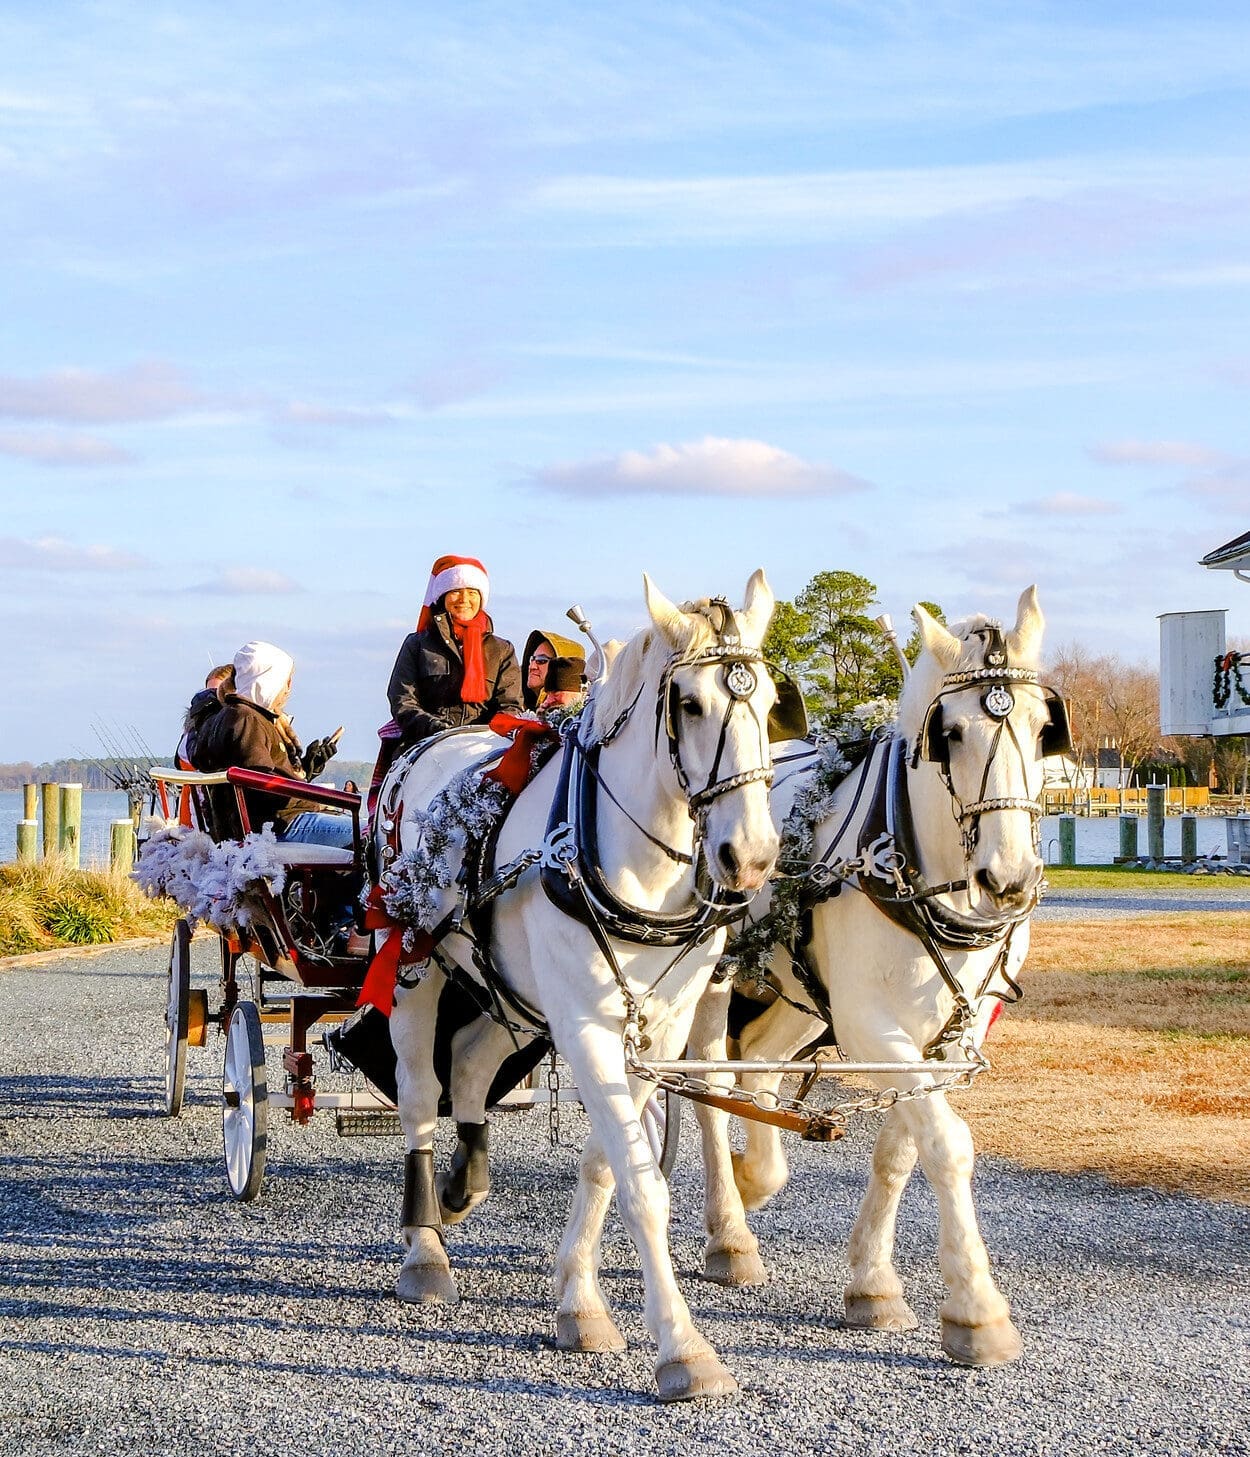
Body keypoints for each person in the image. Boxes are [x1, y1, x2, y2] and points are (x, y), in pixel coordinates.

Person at [194, 640, 351, 848]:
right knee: (372, 833)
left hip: (269, 824)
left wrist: (307, 768)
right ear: (269, 681)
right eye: (286, 680)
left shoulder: (231, 717)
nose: (288, 688)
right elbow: (262, 789)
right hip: (277, 827)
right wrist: (314, 797)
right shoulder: (247, 720)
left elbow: (259, 776)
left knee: (369, 830)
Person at [386, 555, 523, 746]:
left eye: (472, 592)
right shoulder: (417, 644)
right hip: (426, 742)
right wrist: (434, 728)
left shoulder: (502, 650)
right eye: (456, 591)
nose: (464, 599)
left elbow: (511, 705)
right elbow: (402, 699)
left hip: (482, 745)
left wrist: (483, 737)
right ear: (443, 596)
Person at [520, 627, 584, 712]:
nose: (532, 667)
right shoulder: (512, 705)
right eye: (532, 659)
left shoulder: (581, 715)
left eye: (541, 660)